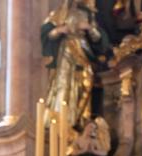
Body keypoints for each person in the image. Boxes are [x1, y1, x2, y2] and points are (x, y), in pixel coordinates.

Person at [40, 0, 110, 130]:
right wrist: (59, 30)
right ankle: (63, 119)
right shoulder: (60, 12)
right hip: (66, 51)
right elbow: (46, 32)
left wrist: (90, 28)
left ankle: (81, 118)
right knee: (64, 84)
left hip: (83, 51)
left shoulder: (88, 14)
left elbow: (99, 39)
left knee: (86, 81)